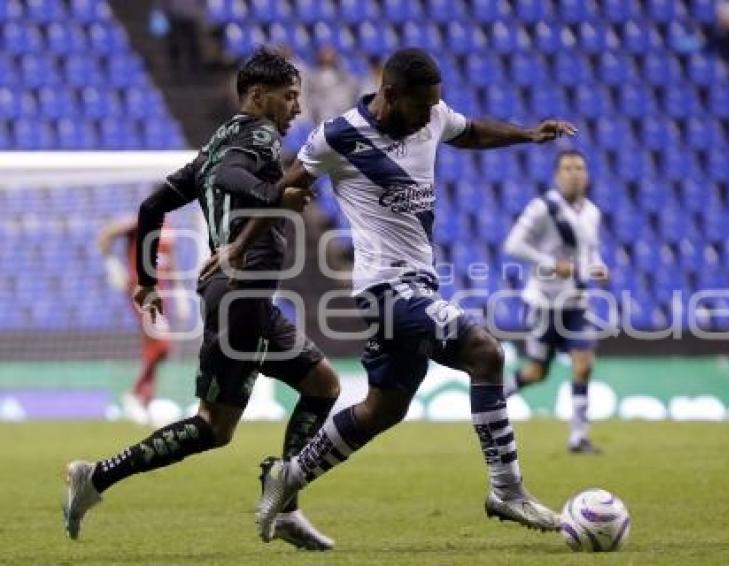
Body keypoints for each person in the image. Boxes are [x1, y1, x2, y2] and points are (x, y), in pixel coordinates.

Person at [205, 48, 578, 544]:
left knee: (384, 409)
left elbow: (472, 132)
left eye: (434, 107)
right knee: (486, 353)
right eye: (421, 107)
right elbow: (282, 189)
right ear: (391, 94)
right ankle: (506, 490)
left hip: (419, 283)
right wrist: (238, 246)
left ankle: (289, 475)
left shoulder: (432, 116)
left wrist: (528, 134)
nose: (430, 117)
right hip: (384, 288)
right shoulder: (337, 136)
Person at [63, 47, 341, 551]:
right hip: (241, 293)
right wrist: (277, 196)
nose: (296, 108)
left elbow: (152, 205)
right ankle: (95, 476)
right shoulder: (257, 136)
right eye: (289, 97)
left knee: (322, 384)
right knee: (213, 428)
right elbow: (239, 179)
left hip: (246, 296)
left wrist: (146, 280)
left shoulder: (213, 145)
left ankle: (287, 504)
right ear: (258, 97)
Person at [502, 150, 608, 454]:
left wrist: (598, 265)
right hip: (544, 304)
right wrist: (550, 262)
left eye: (579, 167)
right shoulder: (542, 208)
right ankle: (494, 398)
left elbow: (591, 250)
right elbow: (513, 245)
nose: (574, 173)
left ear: (586, 175)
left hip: (576, 302)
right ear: (556, 175)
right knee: (537, 373)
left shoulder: (592, 212)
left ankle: (579, 437)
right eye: (567, 168)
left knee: (584, 363)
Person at [97, 214, 189, 425]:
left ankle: (143, 399)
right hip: (143, 290)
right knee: (162, 343)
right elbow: (107, 233)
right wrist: (112, 264)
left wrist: (180, 292)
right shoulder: (140, 220)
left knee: (156, 347)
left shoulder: (170, 227)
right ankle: (136, 394)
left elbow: (170, 259)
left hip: (163, 292)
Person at [304, 44, 359, 124]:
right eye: (324, 53)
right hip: (321, 117)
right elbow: (311, 101)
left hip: (339, 115)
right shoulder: (313, 77)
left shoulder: (343, 76)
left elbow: (350, 94)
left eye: (329, 53)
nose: (327, 56)